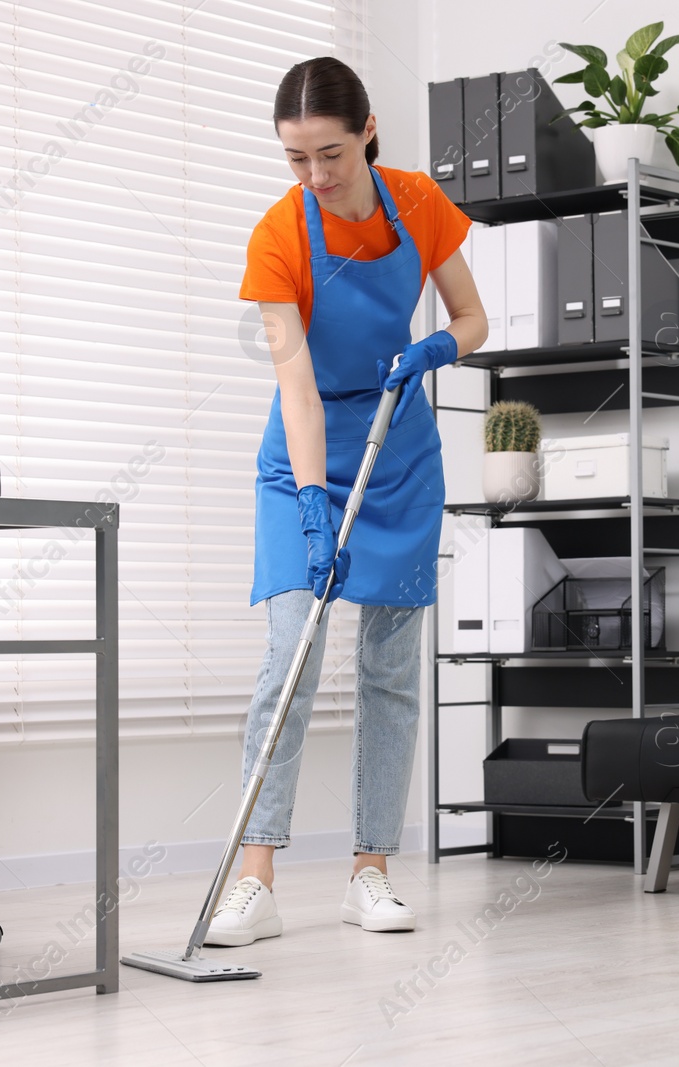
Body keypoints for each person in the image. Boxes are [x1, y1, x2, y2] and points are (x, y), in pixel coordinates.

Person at [204, 56, 487, 946]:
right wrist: (316, 501)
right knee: (290, 654)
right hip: (304, 454)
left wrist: (437, 348)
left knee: (391, 671)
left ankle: (370, 871)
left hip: (400, 451)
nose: (315, 176)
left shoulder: (419, 203)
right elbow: (294, 380)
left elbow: (473, 319)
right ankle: (257, 880)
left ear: (366, 130)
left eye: (328, 153)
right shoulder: (280, 232)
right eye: (295, 159)